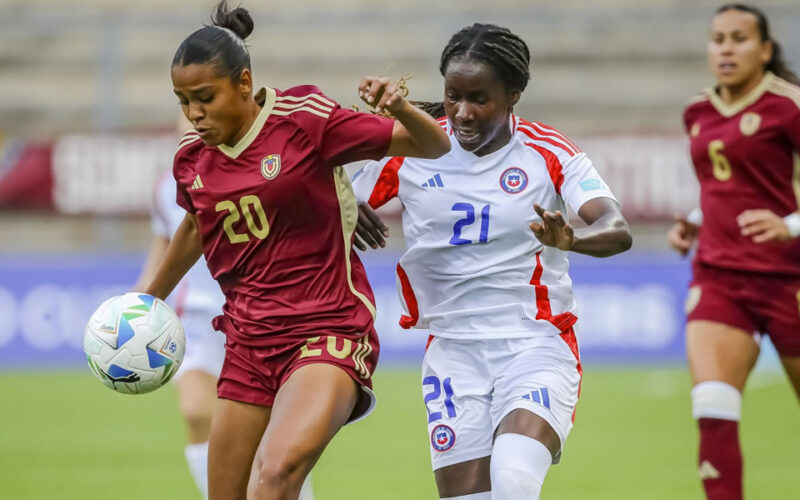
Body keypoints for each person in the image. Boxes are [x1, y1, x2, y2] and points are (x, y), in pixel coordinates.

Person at [142, 1, 451, 499]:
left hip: (326, 331)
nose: (195, 113)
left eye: (205, 97)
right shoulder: (192, 159)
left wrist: (398, 108)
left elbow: (433, 144)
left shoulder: (304, 118)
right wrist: (148, 301)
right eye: (183, 101)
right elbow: (198, 226)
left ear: (244, 83)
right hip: (248, 342)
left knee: (278, 473)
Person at [350, 23, 631, 500]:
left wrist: (574, 240)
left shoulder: (547, 152)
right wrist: (344, 203)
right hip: (452, 354)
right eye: (453, 95)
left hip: (535, 343)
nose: (462, 113)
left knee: (514, 478)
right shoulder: (412, 148)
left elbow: (616, 227)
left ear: (514, 96)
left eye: (479, 98)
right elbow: (328, 197)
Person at [667, 4, 800, 500]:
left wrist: (789, 225)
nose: (726, 48)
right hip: (720, 278)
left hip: (790, 279)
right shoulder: (697, 111)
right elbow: (723, 188)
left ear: (765, 50)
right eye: (718, 38)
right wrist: (694, 223)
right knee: (713, 409)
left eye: (739, 38)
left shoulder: (788, 106)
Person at [135, 166, 313, 499]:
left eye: (201, 109)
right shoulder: (167, 185)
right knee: (196, 411)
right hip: (197, 318)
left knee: (275, 438)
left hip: (259, 316)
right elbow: (165, 243)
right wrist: (141, 298)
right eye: (185, 111)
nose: (193, 116)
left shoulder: (264, 165)